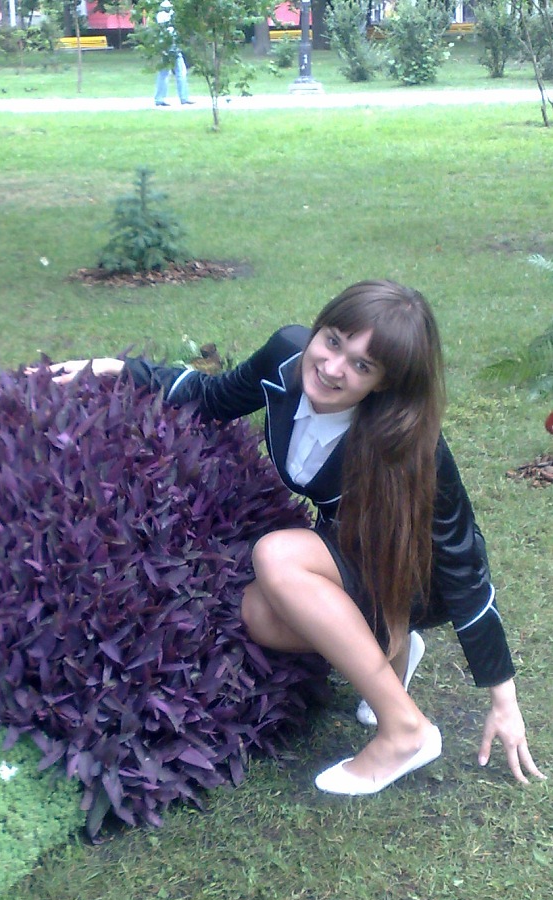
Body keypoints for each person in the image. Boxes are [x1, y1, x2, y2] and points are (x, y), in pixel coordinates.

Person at [33, 280, 545, 796]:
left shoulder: (414, 443)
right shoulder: (285, 359)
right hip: (348, 549)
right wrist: (120, 370)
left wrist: (502, 696)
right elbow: (212, 397)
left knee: (276, 555)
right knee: (260, 614)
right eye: (332, 341)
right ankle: (389, 643)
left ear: (384, 383)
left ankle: (405, 731)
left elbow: (462, 560)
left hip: (411, 576)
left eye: (362, 365)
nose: (333, 367)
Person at [153, 1, 193, 107]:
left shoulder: (164, 15)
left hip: (170, 46)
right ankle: (182, 98)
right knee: (177, 72)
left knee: (167, 73)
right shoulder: (164, 16)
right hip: (169, 46)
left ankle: (161, 98)